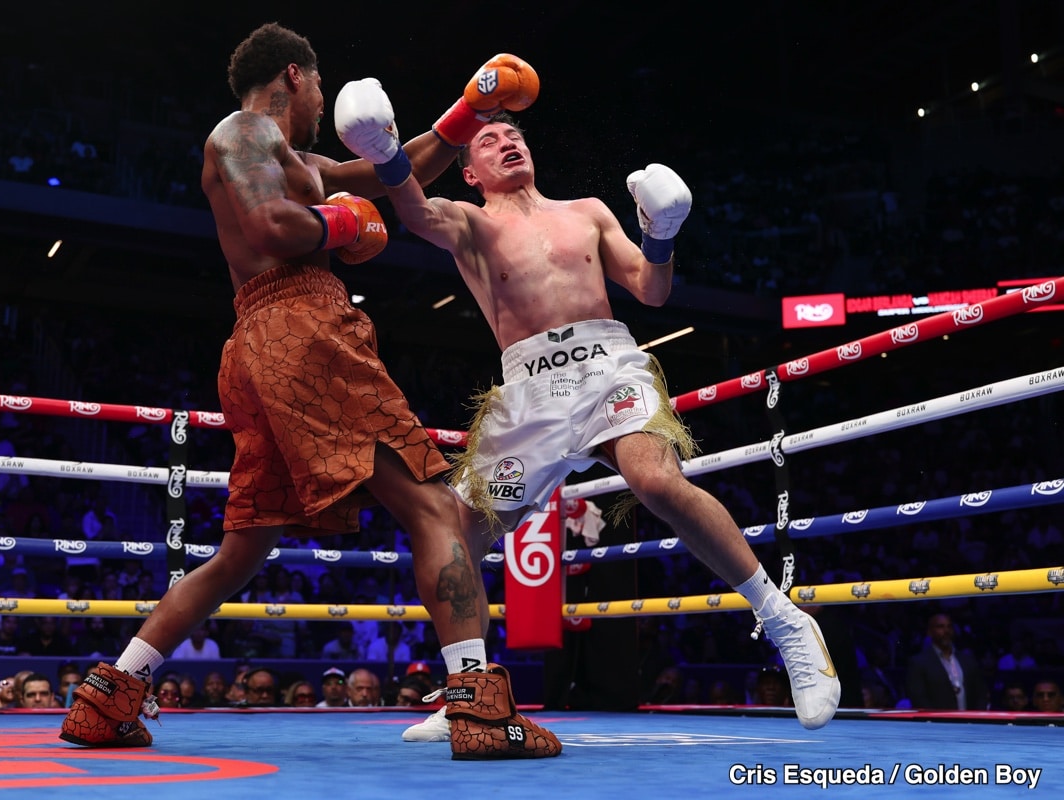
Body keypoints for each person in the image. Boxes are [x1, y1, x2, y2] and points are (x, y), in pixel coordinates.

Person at [60, 22, 558, 761]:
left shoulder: (296, 156)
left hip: (256, 346)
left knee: (240, 549)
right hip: (301, 324)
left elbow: (401, 168)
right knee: (431, 504)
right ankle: (479, 708)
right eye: (321, 85)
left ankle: (109, 697)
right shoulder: (243, 131)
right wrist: (339, 224)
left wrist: (468, 110)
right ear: (295, 75)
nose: (325, 99)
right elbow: (272, 224)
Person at [335, 81, 841, 738]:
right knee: (454, 535)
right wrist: (386, 149)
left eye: (513, 132)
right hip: (530, 392)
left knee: (656, 479)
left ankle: (785, 622)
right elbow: (412, 212)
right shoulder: (471, 221)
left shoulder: (589, 210)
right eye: (488, 139)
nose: (506, 138)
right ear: (470, 169)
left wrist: (662, 234)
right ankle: (471, 683)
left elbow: (651, 290)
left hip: (608, 368)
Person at [904, 612, 988, 710]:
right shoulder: (919, 663)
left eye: (949, 626)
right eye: (940, 627)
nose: (946, 630)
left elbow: (981, 693)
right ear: (930, 632)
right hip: (938, 723)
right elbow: (918, 699)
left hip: (968, 722)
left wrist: (976, 719)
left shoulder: (967, 660)